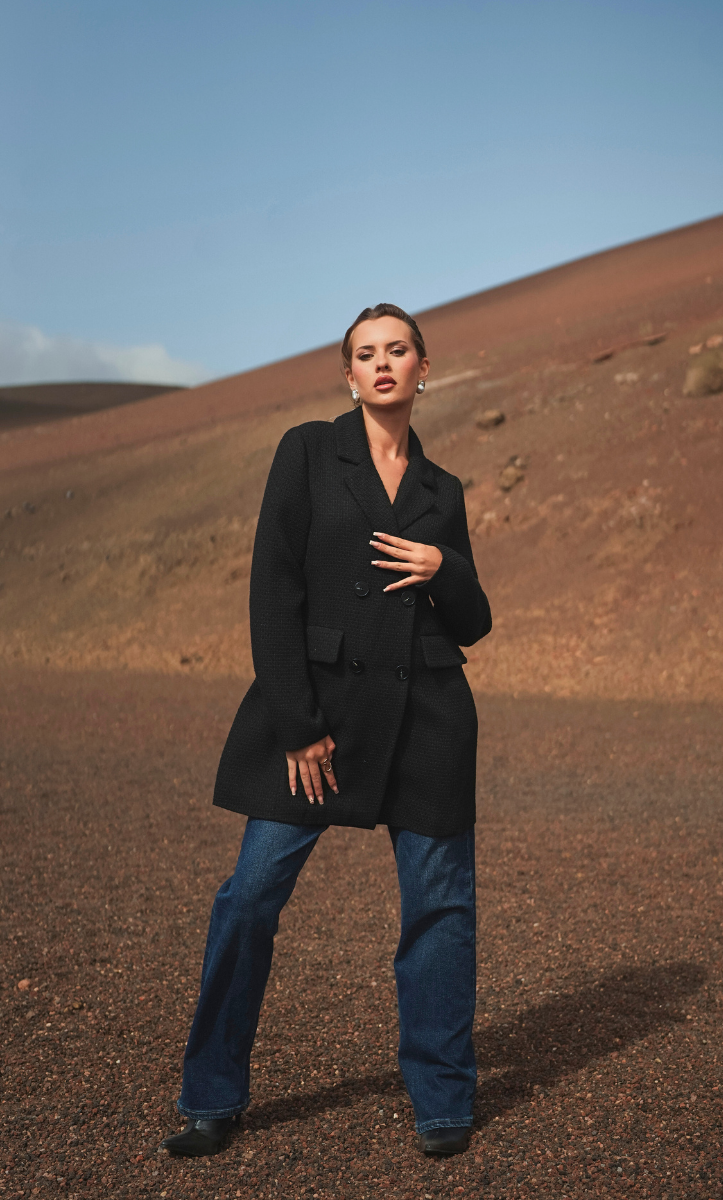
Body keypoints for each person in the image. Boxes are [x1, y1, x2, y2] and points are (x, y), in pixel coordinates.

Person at [160, 303, 492, 1159]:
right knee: (248, 898)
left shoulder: (442, 490)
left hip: (427, 718)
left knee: (441, 910)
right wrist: (299, 727)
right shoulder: (308, 451)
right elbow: (273, 589)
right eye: (365, 353)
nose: (382, 363)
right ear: (348, 376)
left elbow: (474, 620)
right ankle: (211, 1096)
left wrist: (444, 566)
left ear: (423, 368)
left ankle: (443, 1101)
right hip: (320, 720)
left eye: (398, 350)